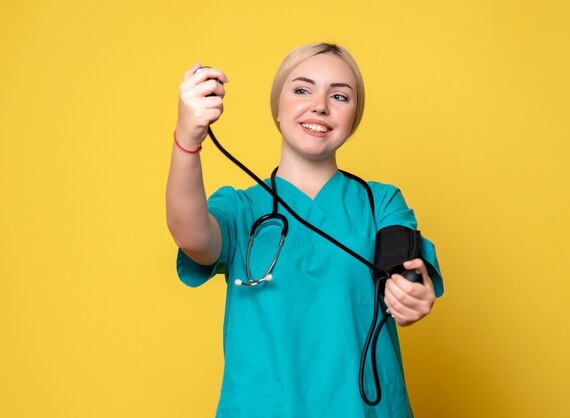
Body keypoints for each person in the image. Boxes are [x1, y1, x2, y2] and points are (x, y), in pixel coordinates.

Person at [166, 42, 444, 418]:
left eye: (340, 96)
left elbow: (406, 268)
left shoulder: (380, 203)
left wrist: (411, 293)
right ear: (277, 108)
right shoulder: (240, 208)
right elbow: (194, 238)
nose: (320, 105)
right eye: (302, 89)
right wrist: (188, 138)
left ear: (354, 117)